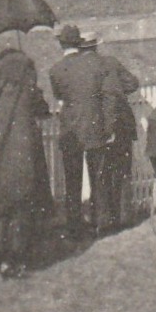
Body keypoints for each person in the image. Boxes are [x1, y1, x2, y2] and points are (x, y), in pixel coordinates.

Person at [0, 36, 56, 279]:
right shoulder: (26, 86)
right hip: (23, 148)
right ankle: (14, 257)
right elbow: (42, 108)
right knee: (21, 197)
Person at [47, 26, 116, 237]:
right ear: (79, 42)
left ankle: (74, 226)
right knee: (99, 178)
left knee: (72, 180)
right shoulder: (96, 66)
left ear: (61, 44)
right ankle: (101, 224)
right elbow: (108, 99)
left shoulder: (55, 70)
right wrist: (109, 128)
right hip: (95, 128)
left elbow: (60, 98)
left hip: (70, 131)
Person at [93, 41, 141, 233]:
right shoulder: (111, 62)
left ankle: (106, 220)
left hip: (101, 126)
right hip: (122, 124)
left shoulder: (87, 68)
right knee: (122, 171)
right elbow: (132, 82)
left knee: (102, 172)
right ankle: (125, 216)